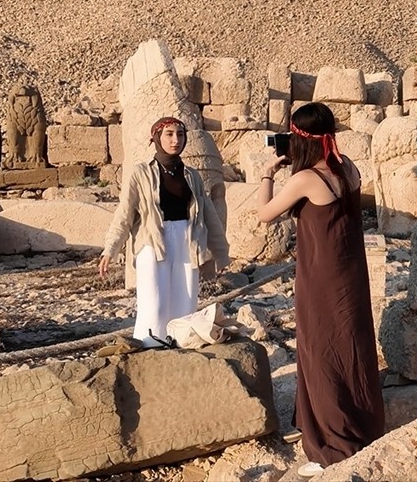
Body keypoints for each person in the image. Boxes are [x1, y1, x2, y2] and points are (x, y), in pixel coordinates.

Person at [256, 102, 384, 478]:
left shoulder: (307, 179)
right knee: (351, 346)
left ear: (300, 138)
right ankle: (361, 426)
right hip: (350, 273)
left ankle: (332, 446)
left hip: (320, 276)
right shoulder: (349, 168)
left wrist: (268, 174)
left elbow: (264, 214)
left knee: (321, 352)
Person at [100, 116, 230, 347]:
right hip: (153, 242)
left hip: (187, 241)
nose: (175, 139)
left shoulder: (192, 176)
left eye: (180, 134)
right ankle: (150, 347)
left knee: (185, 299)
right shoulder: (140, 173)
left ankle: (179, 347)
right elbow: (124, 213)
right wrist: (111, 249)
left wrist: (220, 253)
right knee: (154, 303)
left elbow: (209, 215)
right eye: (169, 134)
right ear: (156, 138)